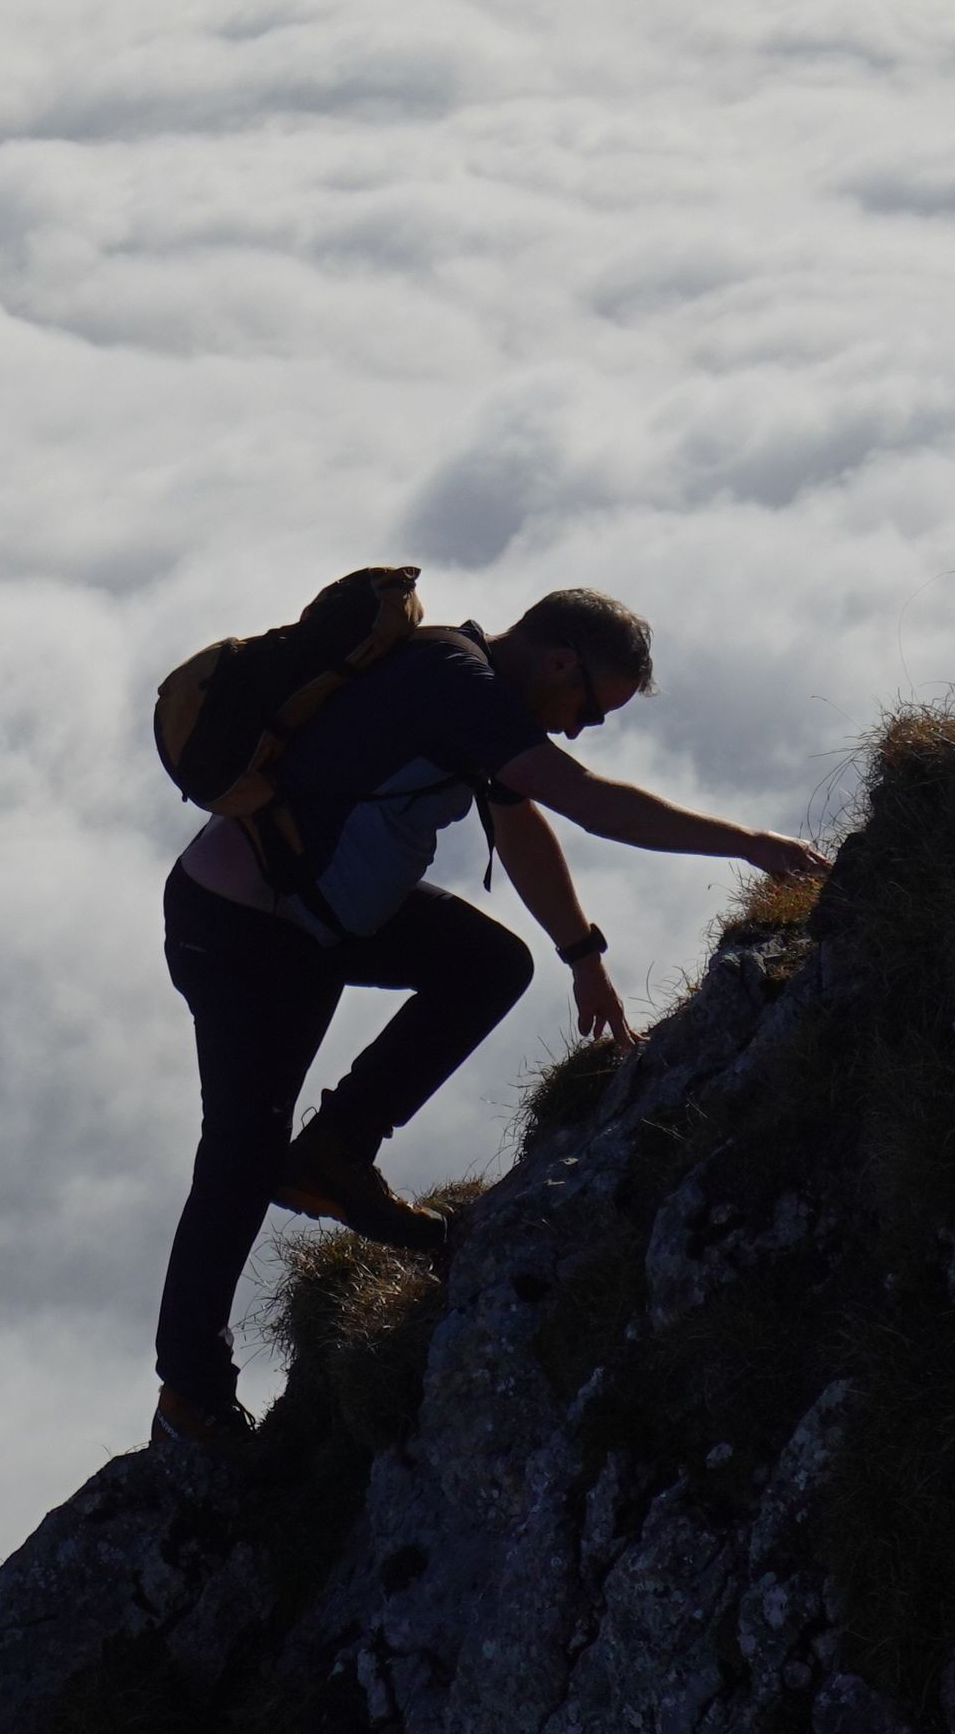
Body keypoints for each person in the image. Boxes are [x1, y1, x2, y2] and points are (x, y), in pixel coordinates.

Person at [148, 587, 829, 1456]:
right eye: (591, 707)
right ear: (559, 661)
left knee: (488, 964)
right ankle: (190, 1392)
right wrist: (750, 843)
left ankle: (333, 1156)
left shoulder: (468, 685)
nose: (580, 729)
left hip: (310, 915)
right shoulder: (452, 679)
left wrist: (582, 955)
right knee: (242, 1151)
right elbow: (586, 799)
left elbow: (521, 826)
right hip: (244, 931)